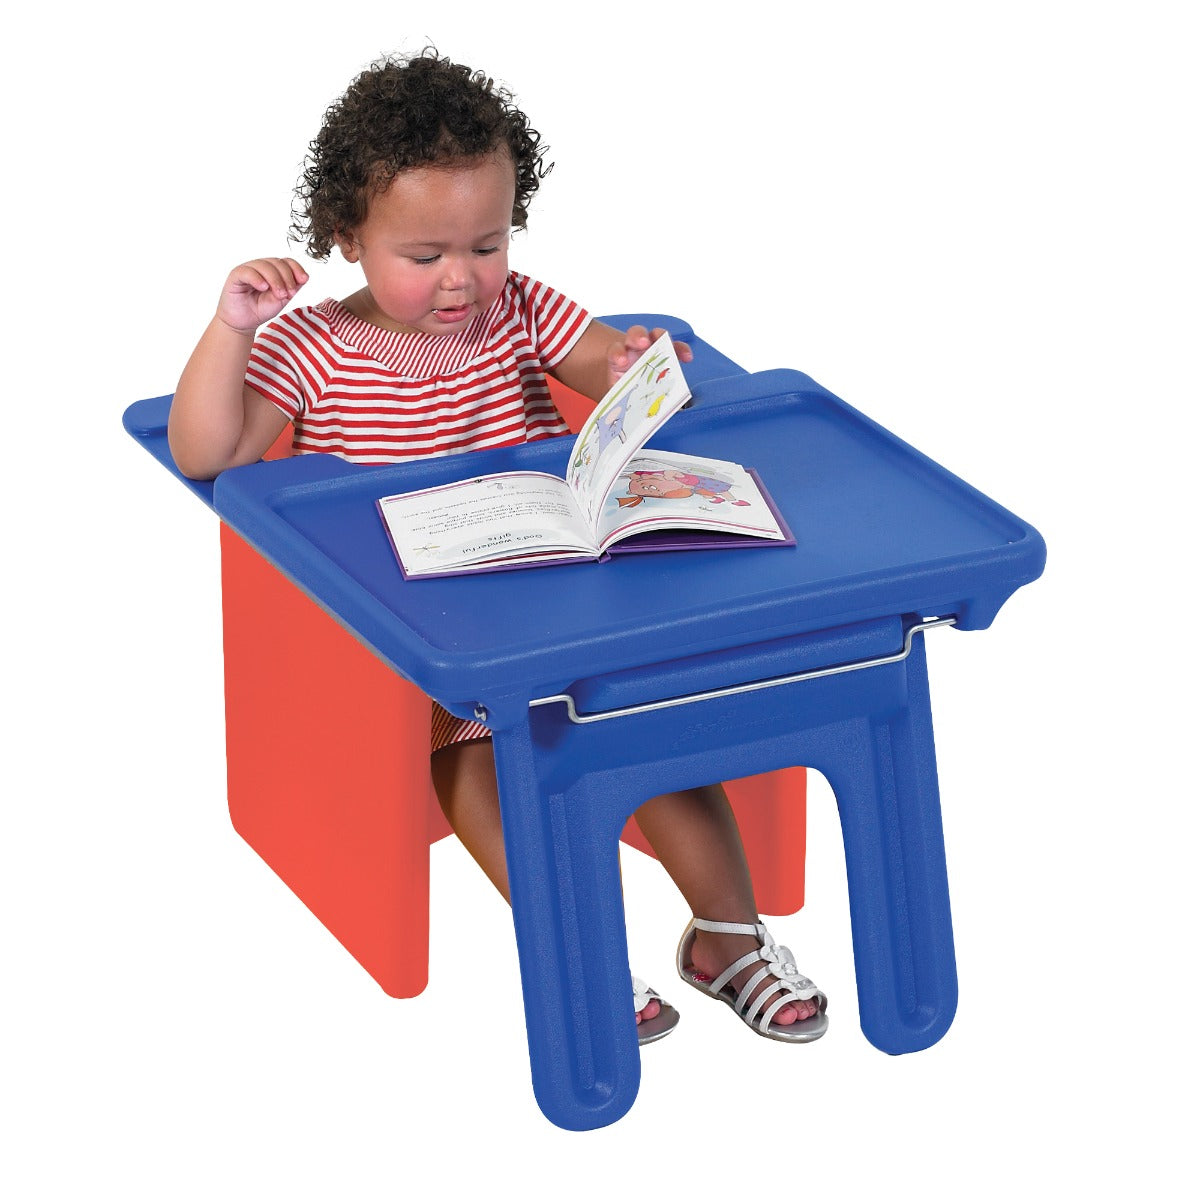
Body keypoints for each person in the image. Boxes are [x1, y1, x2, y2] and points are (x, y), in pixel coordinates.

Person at [168, 49, 826, 1045]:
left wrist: (637, 367)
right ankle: (579, 942)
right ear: (347, 234)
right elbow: (209, 454)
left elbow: (597, 355)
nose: (461, 279)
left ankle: (726, 938)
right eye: (425, 256)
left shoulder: (517, 309)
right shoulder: (306, 350)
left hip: (563, 593)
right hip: (423, 634)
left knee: (656, 730)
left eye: (486, 243)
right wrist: (230, 329)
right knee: (481, 760)